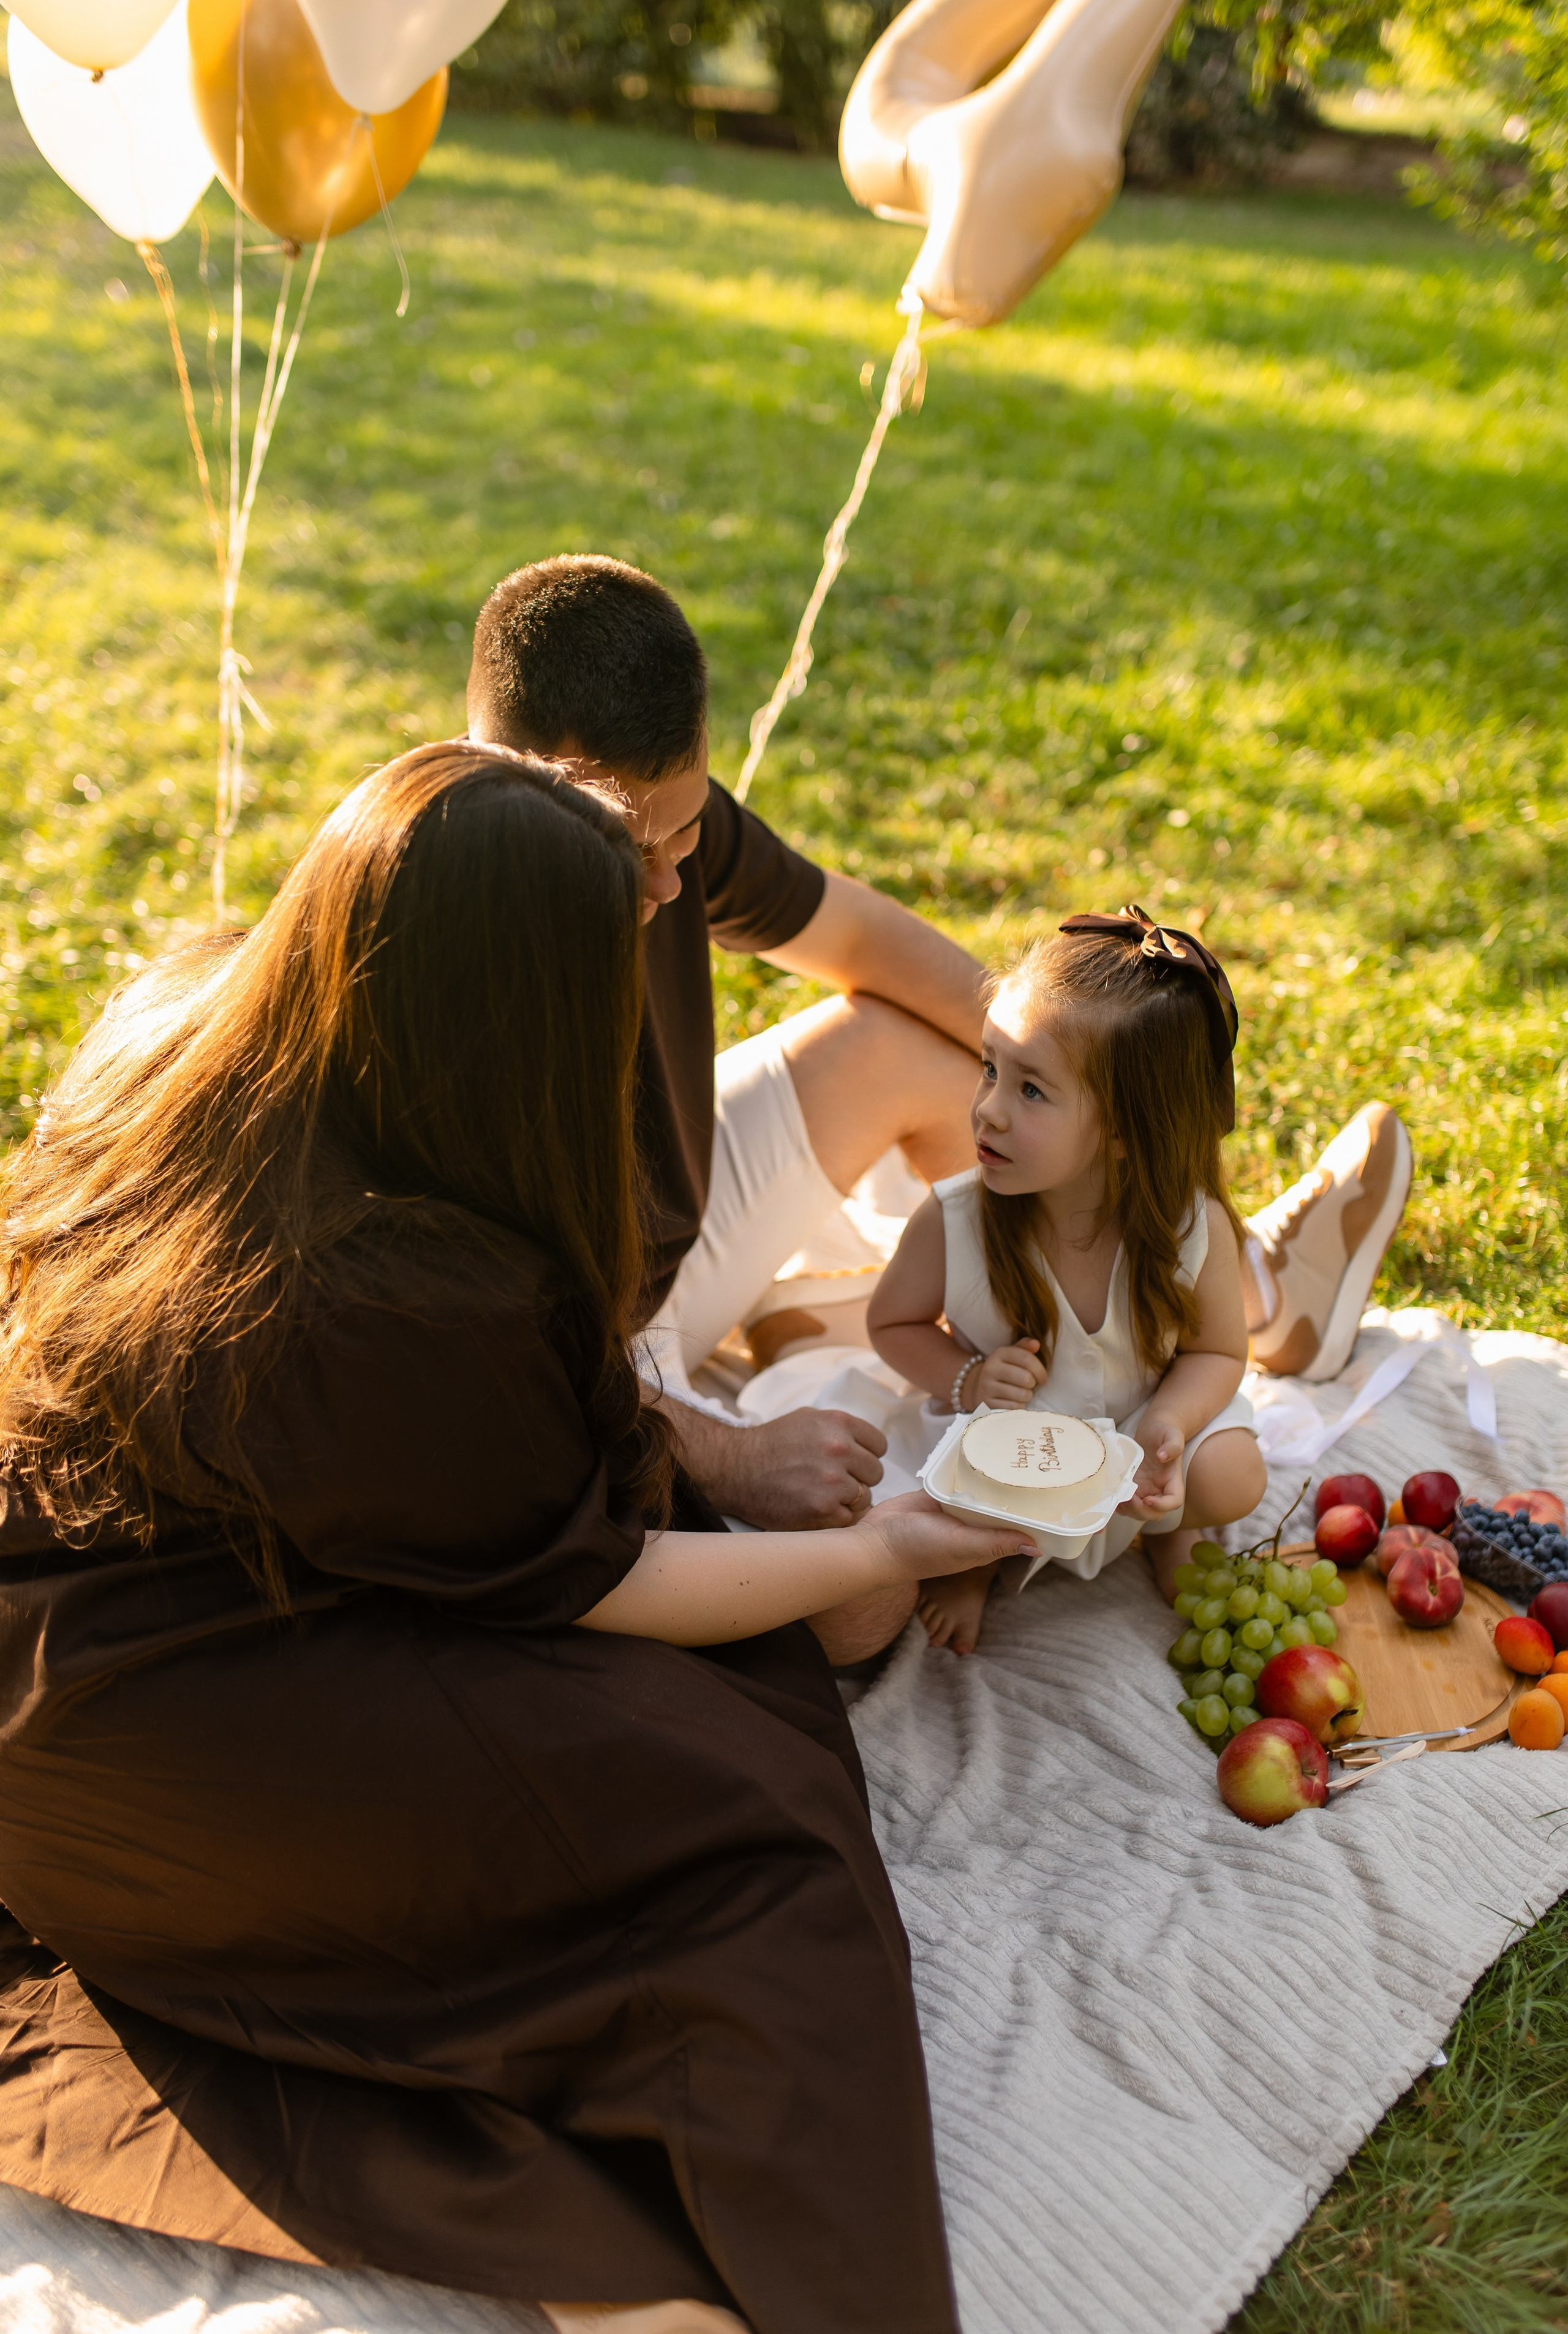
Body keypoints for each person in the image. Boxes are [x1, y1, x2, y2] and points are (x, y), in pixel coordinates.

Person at [0, 743, 1030, 2333]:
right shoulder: (416, 1286)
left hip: (52, 1642)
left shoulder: (193, 1026)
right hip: (152, 1730)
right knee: (742, 1844)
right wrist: (889, 1546)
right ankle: (641, 2266)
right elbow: (598, 1579)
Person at [465, 556, 1412, 1550]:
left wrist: (1088, 1074)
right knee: (857, 1608)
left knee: (898, 1044)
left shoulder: (654, 806)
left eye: (688, 834)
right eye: (631, 850)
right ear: (518, 785)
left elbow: (870, 944)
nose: (668, 882)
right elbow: (505, 1342)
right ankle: (836, 1316)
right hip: (579, 1331)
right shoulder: (438, 934)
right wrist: (730, 1455)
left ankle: (1234, 1290)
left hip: (657, 1230)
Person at [867, 907, 1267, 1654]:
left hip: (1132, 1432)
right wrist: (968, 1379)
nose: (987, 1110)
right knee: (938, 1503)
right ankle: (976, 1563)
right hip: (1010, 1447)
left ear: (1123, 1130)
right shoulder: (955, 1220)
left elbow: (1216, 1352)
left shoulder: (1191, 1228)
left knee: (1233, 1474)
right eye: (991, 1068)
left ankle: (1163, 1530)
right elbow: (891, 1323)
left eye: (1031, 1091)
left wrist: (1170, 1422)